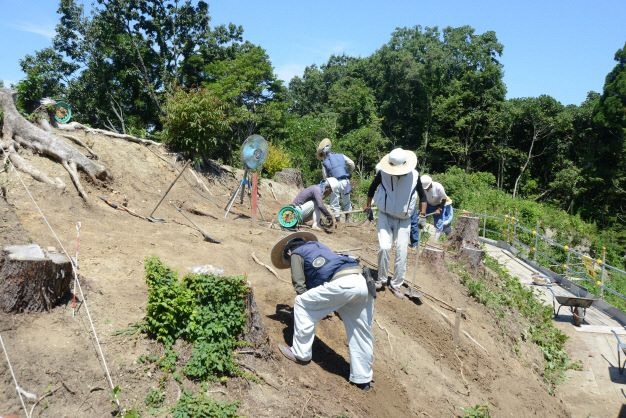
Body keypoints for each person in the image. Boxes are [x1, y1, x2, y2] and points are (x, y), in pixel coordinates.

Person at [270, 231, 375, 391]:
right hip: (362, 282)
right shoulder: (320, 247)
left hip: (343, 284)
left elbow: (299, 284)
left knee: (302, 303)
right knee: (360, 331)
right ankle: (363, 379)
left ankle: (300, 353)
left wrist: (310, 309)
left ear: (289, 252)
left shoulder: (296, 253)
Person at [364, 148, 426, 298]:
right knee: (384, 247)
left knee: (402, 251)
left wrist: (422, 215)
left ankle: (396, 284)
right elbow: (371, 189)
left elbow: (423, 198)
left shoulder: (415, 176)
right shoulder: (383, 173)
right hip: (385, 215)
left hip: (404, 219)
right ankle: (381, 279)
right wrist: (367, 207)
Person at [316, 138, 356, 223]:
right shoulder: (341, 155)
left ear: (323, 154)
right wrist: (348, 172)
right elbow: (352, 163)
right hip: (345, 181)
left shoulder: (324, 163)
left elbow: (325, 176)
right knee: (347, 201)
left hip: (334, 183)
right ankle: (348, 220)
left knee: (334, 203)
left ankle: (337, 220)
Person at [414, 174, 454, 240]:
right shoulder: (422, 187)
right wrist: (422, 212)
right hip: (428, 204)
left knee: (439, 223)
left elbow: (444, 199)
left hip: (439, 204)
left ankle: (435, 242)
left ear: (430, 184)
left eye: (427, 188)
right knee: (419, 219)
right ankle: (419, 237)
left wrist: (439, 209)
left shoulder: (438, 187)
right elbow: (422, 200)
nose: (426, 190)